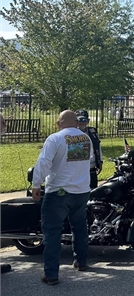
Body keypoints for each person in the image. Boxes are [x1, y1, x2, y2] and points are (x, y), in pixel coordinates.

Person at [32, 110, 93, 285]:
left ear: (59, 122)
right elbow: (87, 160)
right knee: (80, 226)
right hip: (81, 190)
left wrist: (37, 184)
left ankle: (51, 274)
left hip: (58, 191)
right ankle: (81, 262)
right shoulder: (85, 138)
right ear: (75, 122)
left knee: (52, 232)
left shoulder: (55, 138)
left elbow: (44, 162)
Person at [75, 110, 102, 189]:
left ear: (88, 121)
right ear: (75, 121)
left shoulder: (92, 132)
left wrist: (100, 162)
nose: (82, 122)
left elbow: (98, 147)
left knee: (93, 189)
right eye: (79, 120)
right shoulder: (72, 133)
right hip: (78, 169)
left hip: (91, 167)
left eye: (84, 120)